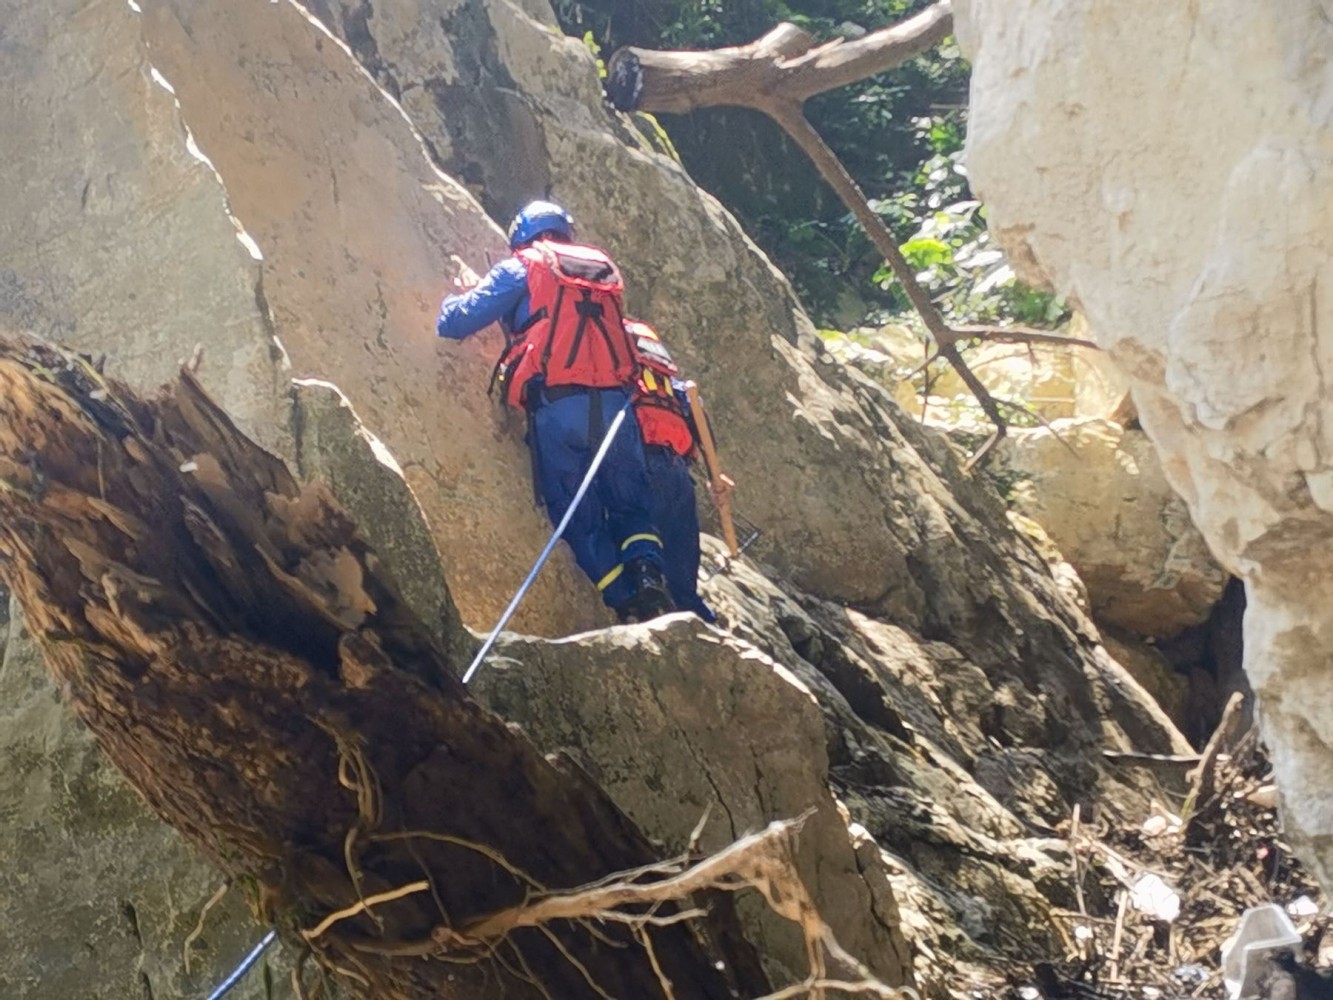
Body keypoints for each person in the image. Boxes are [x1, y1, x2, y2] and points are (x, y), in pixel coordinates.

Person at [436, 200, 673, 622]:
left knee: (574, 508)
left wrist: (453, 299)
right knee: (631, 502)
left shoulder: (522, 266)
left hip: (559, 408)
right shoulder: (601, 269)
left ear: (522, 234)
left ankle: (624, 601)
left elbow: (456, 323)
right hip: (616, 408)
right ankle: (649, 578)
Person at [624, 318, 734, 623]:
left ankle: (647, 593)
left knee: (641, 525)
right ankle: (690, 606)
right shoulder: (676, 389)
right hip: (678, 474)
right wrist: (716, 479)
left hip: (639, 462)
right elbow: (705, 439)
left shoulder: (625, 378)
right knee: (682, 545)